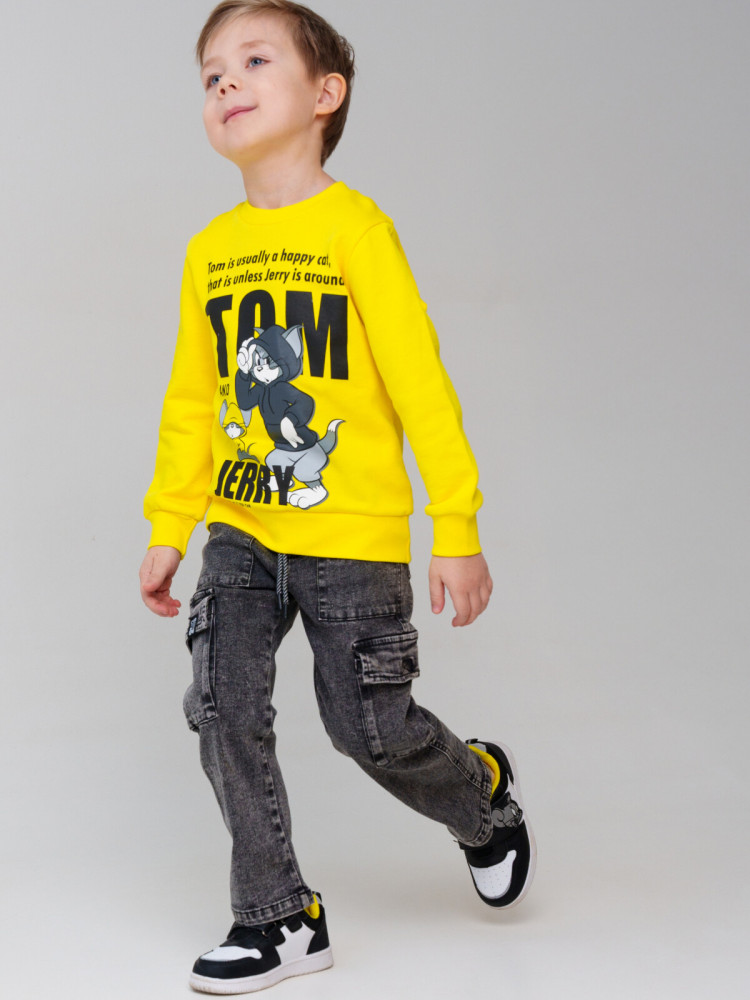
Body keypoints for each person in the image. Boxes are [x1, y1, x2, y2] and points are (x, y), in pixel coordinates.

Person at [139, 1, 535, 993]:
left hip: (349, 534)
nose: (225, 83)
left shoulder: (359, 230)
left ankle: (481, 795)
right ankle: (278, 915)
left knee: (370, 727)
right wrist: (170, 523)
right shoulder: (209, 251)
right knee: (219, 702)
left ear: (325, 94)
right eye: (211, 74)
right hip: (240, 525)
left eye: (252, 61)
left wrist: (456, 525)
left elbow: (421, 386)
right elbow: (192, 400)